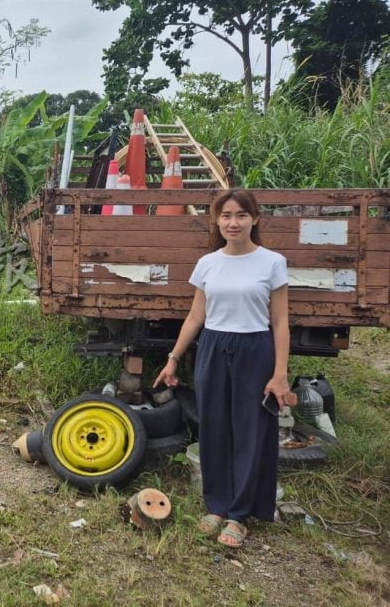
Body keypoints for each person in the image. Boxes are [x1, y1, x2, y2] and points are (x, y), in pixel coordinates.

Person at [154, 189, 297, 549]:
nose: (233, 222)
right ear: (217, 221)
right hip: (213, 349)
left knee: (251, 431)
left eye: (241, 215)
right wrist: (173, 357)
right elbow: (195, 316)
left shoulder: (272, 262)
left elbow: (279, 321)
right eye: (226, 215)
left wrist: (280, 374)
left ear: (255, 219)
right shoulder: (208, 263)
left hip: (254, 348)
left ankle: (239, 514)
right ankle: (216, 505)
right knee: (214, 427)